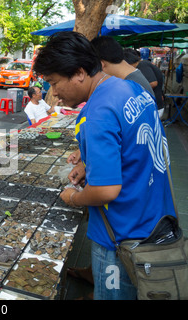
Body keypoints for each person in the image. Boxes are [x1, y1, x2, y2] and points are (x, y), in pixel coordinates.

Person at [34, 31, 177, 300]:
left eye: (54, 83)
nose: (53, 94)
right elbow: (132, 143)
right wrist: (89, 164)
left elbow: (106, 191)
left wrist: (74, 197)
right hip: (154, 216)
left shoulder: (98, 112)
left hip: (122, 234)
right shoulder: (131, 88)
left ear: (78, 72)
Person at [124, 48, 165, 118]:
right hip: (156, 105)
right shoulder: (143, 64)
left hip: (155, 106)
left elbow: (153, 83)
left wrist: (135, 89)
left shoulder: (142, 65)